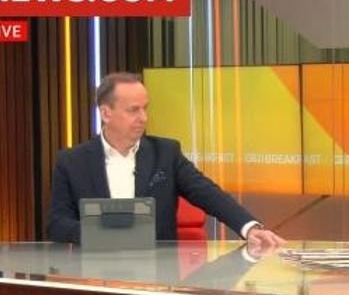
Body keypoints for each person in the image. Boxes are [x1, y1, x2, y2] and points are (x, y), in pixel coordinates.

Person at [48, 72, 285, 248]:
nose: (143, 117)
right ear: (106, 113)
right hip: (94, 274)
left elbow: (207, 193)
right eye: (133, 110)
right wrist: (102, 234)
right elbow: (57, 224)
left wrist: (249, 227)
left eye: (145, 108)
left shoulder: (165, 153)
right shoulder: (72, 161)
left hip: (158, 274)